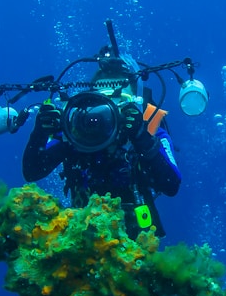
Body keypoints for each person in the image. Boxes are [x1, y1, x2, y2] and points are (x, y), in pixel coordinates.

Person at [22, 54, 181, 238]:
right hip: (83, 236)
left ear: (134, 102)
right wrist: (39, 133)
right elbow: (32, 171)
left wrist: (140, 137)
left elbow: (171, 185)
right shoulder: (76, 132)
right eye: (104, 99)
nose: (111, 108)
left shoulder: (148, 131)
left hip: (136, 240)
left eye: (120, 99)